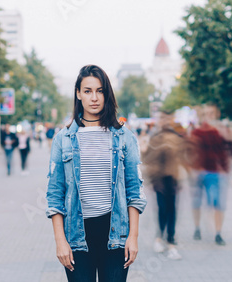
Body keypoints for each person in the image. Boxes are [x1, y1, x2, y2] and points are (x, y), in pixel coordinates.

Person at [46, 65, 146, 282]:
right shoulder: (63, 139)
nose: (94, 97)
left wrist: (133, 237)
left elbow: (134, 191)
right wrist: (60, 241)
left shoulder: (123, 137)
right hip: (76, 237)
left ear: (107, 94)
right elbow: (55, 195)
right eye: (88, 91)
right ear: (78, 93)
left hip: (115, 235)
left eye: (100, 91)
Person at [142, 112, 190, 260]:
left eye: (167, 119)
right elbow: (147, 158)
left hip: (172, 179)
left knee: (172, 210)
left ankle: (170, 242)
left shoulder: (176, 138)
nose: (164, 122)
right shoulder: (155, 139)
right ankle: (159, 238)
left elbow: (182, 157)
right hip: (159, 180)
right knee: (162, 209)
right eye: (162, 119)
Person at [191, 104, 230, 246]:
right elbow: (190, 152)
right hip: (199, 172)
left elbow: (225, 151)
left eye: (211, 113)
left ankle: (218, 233)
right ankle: (197, 228)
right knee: (196, 201)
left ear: (216, 114)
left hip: (215, 172)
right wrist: (193, 169)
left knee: (217, 203)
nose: (209, 116)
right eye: (206, 113)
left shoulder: (219, 131)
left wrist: (225, 169)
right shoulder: (196, 132)